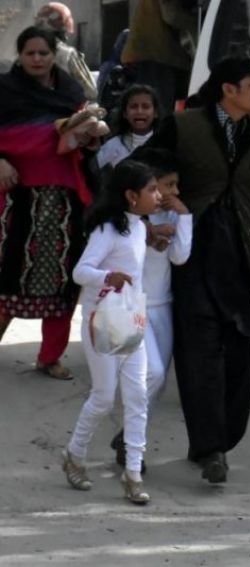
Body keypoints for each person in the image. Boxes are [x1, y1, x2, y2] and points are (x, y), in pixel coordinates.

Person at [143, 56, 250, 484]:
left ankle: (221, 441)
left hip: (240, 261)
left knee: (238, 359)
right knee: (199, 356)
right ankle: (211, 449)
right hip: (192, 256)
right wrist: (150, 216)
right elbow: (141, 171)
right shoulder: (182, 126)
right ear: (228, 89)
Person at [62, 159, 161, 505]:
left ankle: (132, 474)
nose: (159, 195)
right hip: (101, 320)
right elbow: (80, 272)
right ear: (131, 196)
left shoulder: (137, 226)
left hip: (131, 318)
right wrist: (109, 277)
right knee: (104, 396)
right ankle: (75, 454)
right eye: (151, 190)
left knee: (136, 396)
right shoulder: (108, 230)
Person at [0, 26, 95, 380]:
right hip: (13, 196)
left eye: (44, 53)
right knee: (6, 271)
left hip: (63, 199)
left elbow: (84, 143)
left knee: (62, 279)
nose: (37, 59)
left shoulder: (72, 93)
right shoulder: (5, 91)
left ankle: (50, 356)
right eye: (30, 53)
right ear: (21, 56)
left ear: (55, 55)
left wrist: (85, 137)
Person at [107, 147, 192, 471]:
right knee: (150, 374)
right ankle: (132, 448)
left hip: (162, 307)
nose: (174, 192)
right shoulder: (123, 219)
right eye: (168, 185)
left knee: (156, 381)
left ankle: (129, 437)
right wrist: (146, 233)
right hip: (129, 307)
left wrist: (183, 215)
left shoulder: (172, 216)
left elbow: (180, 256)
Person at [121, 0, 197, 115]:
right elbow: (172, 16)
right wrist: (198, 24)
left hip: (154, 56)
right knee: (159, 111)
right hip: (158, 56)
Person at [34, 2, 98, 101]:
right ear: (61, 30)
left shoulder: (24, 55)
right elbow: (90, 92)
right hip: (62, 111)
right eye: (65, 31)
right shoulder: (67, 54)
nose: (67, 35)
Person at [97, 84, 161, 169]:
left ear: (155, 113)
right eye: (133, 107)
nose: (139, 111)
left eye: (146, 107)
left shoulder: (164, 146)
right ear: (125, 113)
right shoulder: (111, 148)